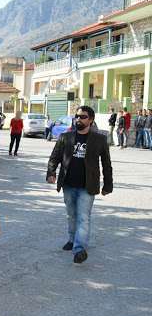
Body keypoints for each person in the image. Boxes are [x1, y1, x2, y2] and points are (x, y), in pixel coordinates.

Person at [47, 106, 113, 264]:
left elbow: (106, 163)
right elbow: (54, 158)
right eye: (77, 116)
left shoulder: (99, 139)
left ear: (90, 119)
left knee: (83, 218)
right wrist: (51, 173)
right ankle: (72, 238)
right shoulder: (65, 137)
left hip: (87, 187)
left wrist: (107, 185)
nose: (79, 119)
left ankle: (79, 249)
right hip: (68, 184)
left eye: (83, 117)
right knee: (71, 215)